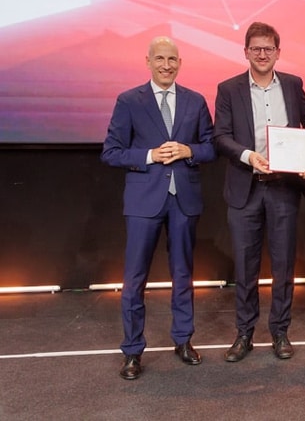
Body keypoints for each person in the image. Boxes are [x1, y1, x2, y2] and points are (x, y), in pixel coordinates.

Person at [101, 36, 216, 380]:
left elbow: (210, 147)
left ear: (180, 63)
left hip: (184, 199)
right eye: (160, 59)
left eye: (172, 59)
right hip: (143, 201)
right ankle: (132, 351)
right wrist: (150, 155)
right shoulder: (129, 100)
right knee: (135, 278)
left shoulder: (195, 101)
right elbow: (111, 152)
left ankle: (183, 340)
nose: (167, 65)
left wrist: (189, 151)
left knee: (183, 274)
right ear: (148, 62)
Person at [213, 22, 305, 363]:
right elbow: (221, 136)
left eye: (268, 49)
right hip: (245, 188)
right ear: (246, 52)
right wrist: (248, 156)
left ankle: (280, 331)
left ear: (278, 52)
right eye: (256, 49)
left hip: (283, 188)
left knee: (283, 266)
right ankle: (244, 333)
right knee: (246, 268)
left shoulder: (292, 83)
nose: (262, 54)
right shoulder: (228, 89)